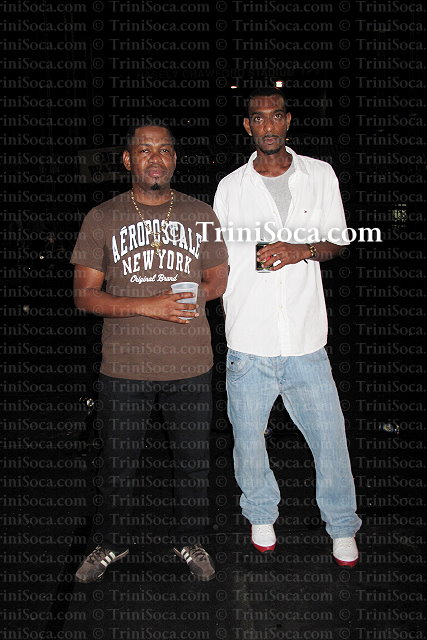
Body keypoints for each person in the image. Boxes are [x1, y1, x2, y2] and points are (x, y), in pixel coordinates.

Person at [71, 124, 228, 582]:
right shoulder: (102, 217)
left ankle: (191, 540)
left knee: (193, 464)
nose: (155, 158)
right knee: (117, 464)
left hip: (190, 364)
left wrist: (193, 296)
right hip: (124, 366)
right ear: (128, 160)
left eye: (163, 150)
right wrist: (149, 306)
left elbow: (218, 279)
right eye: (144, 150)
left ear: (174, 159)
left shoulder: (200, 214)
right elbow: (84, 295)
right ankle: (111, 542)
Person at [213, 88, 362, 567]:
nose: (268, 126)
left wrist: (303, 250)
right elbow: (216, 258)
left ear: (288, 120)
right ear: (248, 126)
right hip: (248, 340)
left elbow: (339, 241)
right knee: (248, 440)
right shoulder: (230, 187)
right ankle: (260, 515)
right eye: (258, 119)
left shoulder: (320, 175)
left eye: (276, 116)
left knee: (331, 439)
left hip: (305, 339)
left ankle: (342, 526)